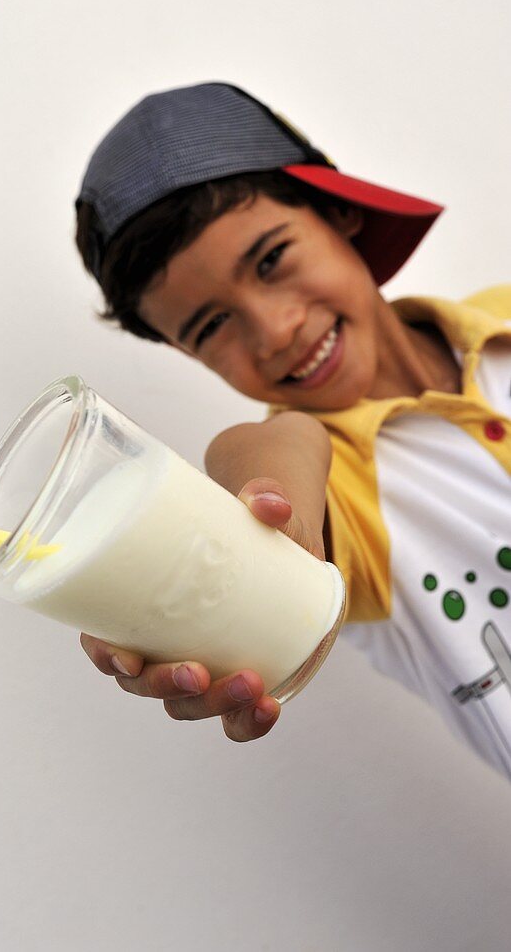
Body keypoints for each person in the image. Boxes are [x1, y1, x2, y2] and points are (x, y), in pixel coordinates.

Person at [72, 82, 511, 776]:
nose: (275, 331)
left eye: (272, 259)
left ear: (337, 211)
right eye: (211, 325)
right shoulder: (341, 504)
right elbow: (268, 456)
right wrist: (264, 526)